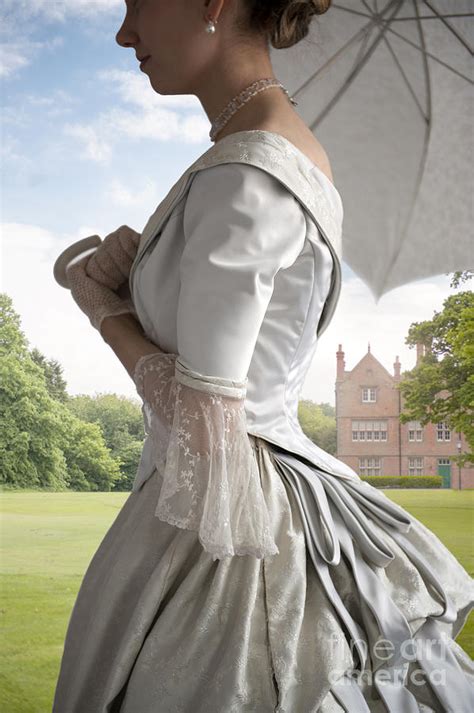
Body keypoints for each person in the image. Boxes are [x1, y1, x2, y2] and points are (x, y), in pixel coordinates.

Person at [52, 1, 474, 711]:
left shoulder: (250, 174)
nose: (124, 33)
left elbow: (212, 430)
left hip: (230, 538)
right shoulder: (276, 154)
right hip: (283, 493)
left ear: (212, 3)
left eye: (137, 4)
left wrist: (105, 308)